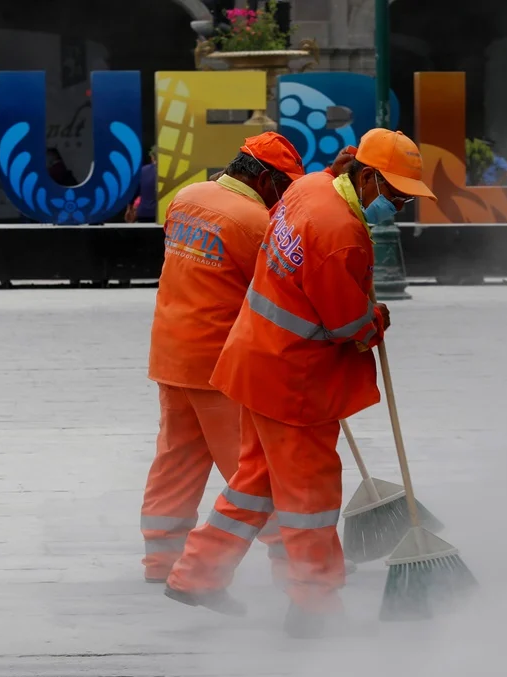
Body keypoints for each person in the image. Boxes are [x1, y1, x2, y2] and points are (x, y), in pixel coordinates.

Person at [165, 128, 437, 638]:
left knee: (256, 480)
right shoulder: (342, 235)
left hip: (255, 359)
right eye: (396, 193)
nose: (399, 204)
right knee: (311, 493)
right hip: (295, 382)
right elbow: (347, 327)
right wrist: (374, 320)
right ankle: (314, 603)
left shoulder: (310, 187)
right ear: (368, 176)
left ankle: (197, 573)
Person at [140, 132, 306, 585]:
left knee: (177, 458)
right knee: (251, 467)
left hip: (171, 352)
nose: (287, 194)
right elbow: (278, 289)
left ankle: (160, 557)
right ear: (265, 178)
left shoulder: (187, 197)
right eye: (285, 185)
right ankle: (293, 557)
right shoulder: (256, 221)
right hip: (218, 363)